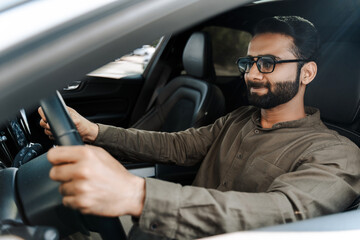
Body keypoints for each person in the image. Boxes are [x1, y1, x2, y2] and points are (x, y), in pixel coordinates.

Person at [39, 16, 360, 239]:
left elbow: (284, 212)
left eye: (268, 64)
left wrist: (138, 194)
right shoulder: (239, 119)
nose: (252, 74)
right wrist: (93, 131)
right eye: (249, 63)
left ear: (307, 73)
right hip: (160, 230)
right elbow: (175, 146)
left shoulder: (338, 154)